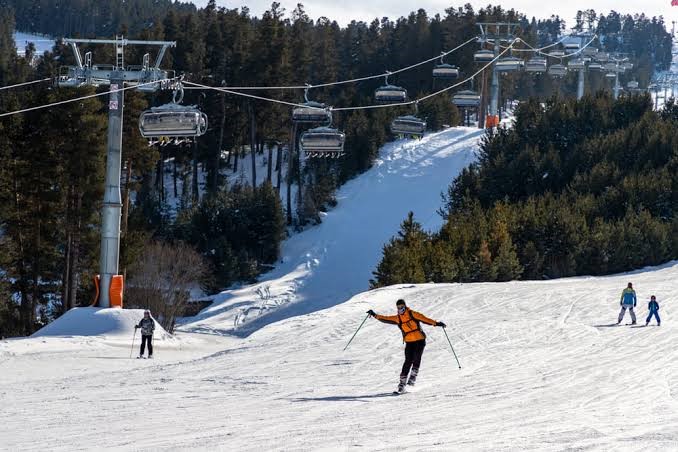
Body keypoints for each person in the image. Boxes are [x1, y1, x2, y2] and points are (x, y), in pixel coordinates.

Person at [367, 299, 446, 393]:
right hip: (409, 342)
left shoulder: (413, 314)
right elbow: (386, 319)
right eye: (398, 307)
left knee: (417, 358)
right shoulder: (398, 318)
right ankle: (402, 385)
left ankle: (412, 378)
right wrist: (375, 315)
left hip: (420, 340)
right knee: (408, 361)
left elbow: (425, 319)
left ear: (405, 306)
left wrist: (436, 323)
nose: (400, 309)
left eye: (401, 307)